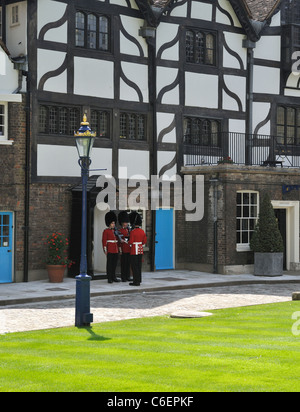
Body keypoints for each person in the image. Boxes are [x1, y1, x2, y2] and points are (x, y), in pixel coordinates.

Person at [128, 211, 147, 286]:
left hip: (134, 250)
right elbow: (144, 241)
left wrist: (128, 242)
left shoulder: (133, 232)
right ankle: (139, 279)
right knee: (139, 266)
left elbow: (131, 242)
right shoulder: (142, 231)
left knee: (134, 266)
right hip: (140, 250)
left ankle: (136, 281)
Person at [102, 211, 120, 284]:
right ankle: (109, 278)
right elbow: (104, 241)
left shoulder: (115, 231)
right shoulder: (106, 231)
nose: (113, 224)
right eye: (112, 223)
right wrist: (105, 250)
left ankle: (113, 276)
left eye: (114, 223)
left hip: (115, 249)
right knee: (109, 264)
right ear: (109, 223)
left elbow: (117, 240)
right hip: (110, 249)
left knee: (114, 264)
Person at [118, 211, 133, 282]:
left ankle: (128, 276)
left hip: (129, 249)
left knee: (128, 263)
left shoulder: (129, 230)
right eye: (125, 222)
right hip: (123, 249)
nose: (126, 224)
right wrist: (120, 250)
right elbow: (119, 242)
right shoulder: (120, 231)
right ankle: (123, 277)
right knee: (123, 264)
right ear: (122, 223)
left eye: (127, 222)